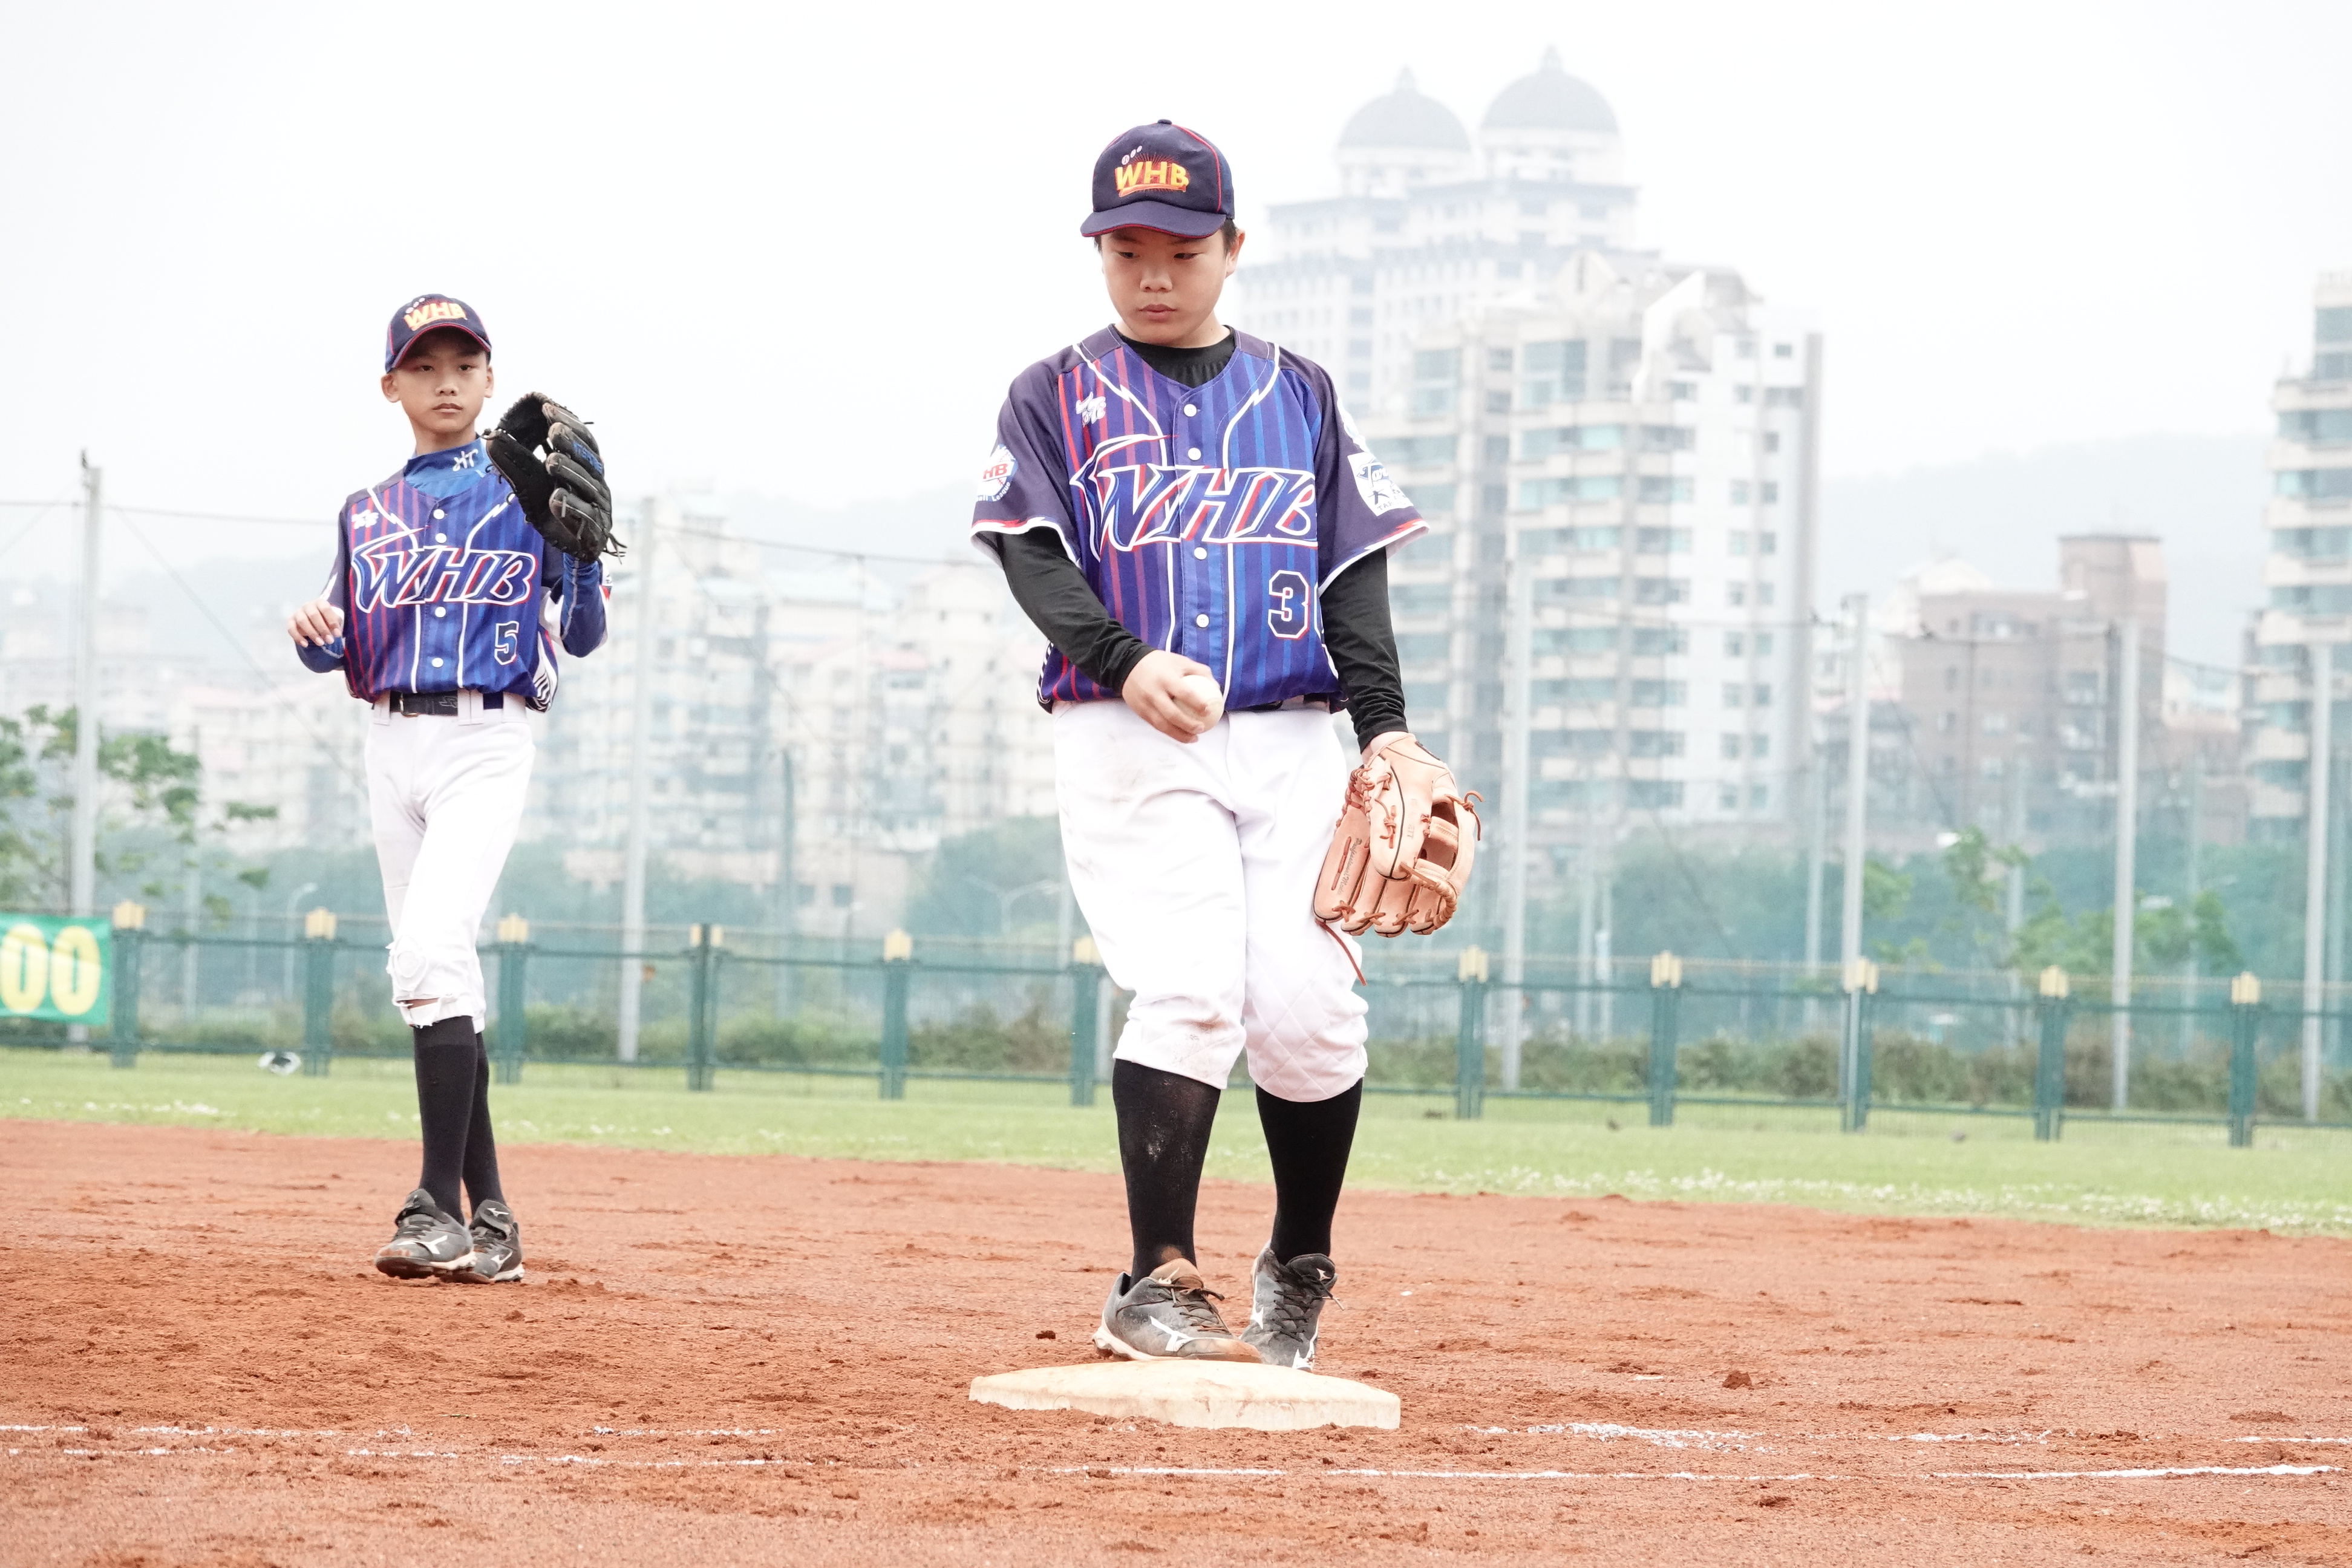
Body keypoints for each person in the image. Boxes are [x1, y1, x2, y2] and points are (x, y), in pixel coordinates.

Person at [970, 122, 1437, 1368]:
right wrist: (1125, 659)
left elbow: (1352, 576)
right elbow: (1031, 555)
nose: (1154, 275)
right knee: (1188, 988)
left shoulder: (1301, 393)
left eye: (1181, 250)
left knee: (1311, 1011)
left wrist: (1387, 734)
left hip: (1293, 736)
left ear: (1233, 248)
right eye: (1127, 250)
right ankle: (1156, 1280)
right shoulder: (1053, 393)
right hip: (1128, 728)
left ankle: (1300, 1261)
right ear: (1099, 254)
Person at [286, 294, 611, 1284]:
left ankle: (435, 1208)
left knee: (425, 953)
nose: (446, 383)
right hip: (390, 741)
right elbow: (340, 642)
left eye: (464, 365)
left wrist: (582, 561)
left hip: (484, 738)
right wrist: (315, 633)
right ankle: (494, 1222)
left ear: (489, 379)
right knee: (441, 976)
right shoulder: (366, 510)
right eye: (424, 367)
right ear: (391, 386)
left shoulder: (526, 492)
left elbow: (584, 635)